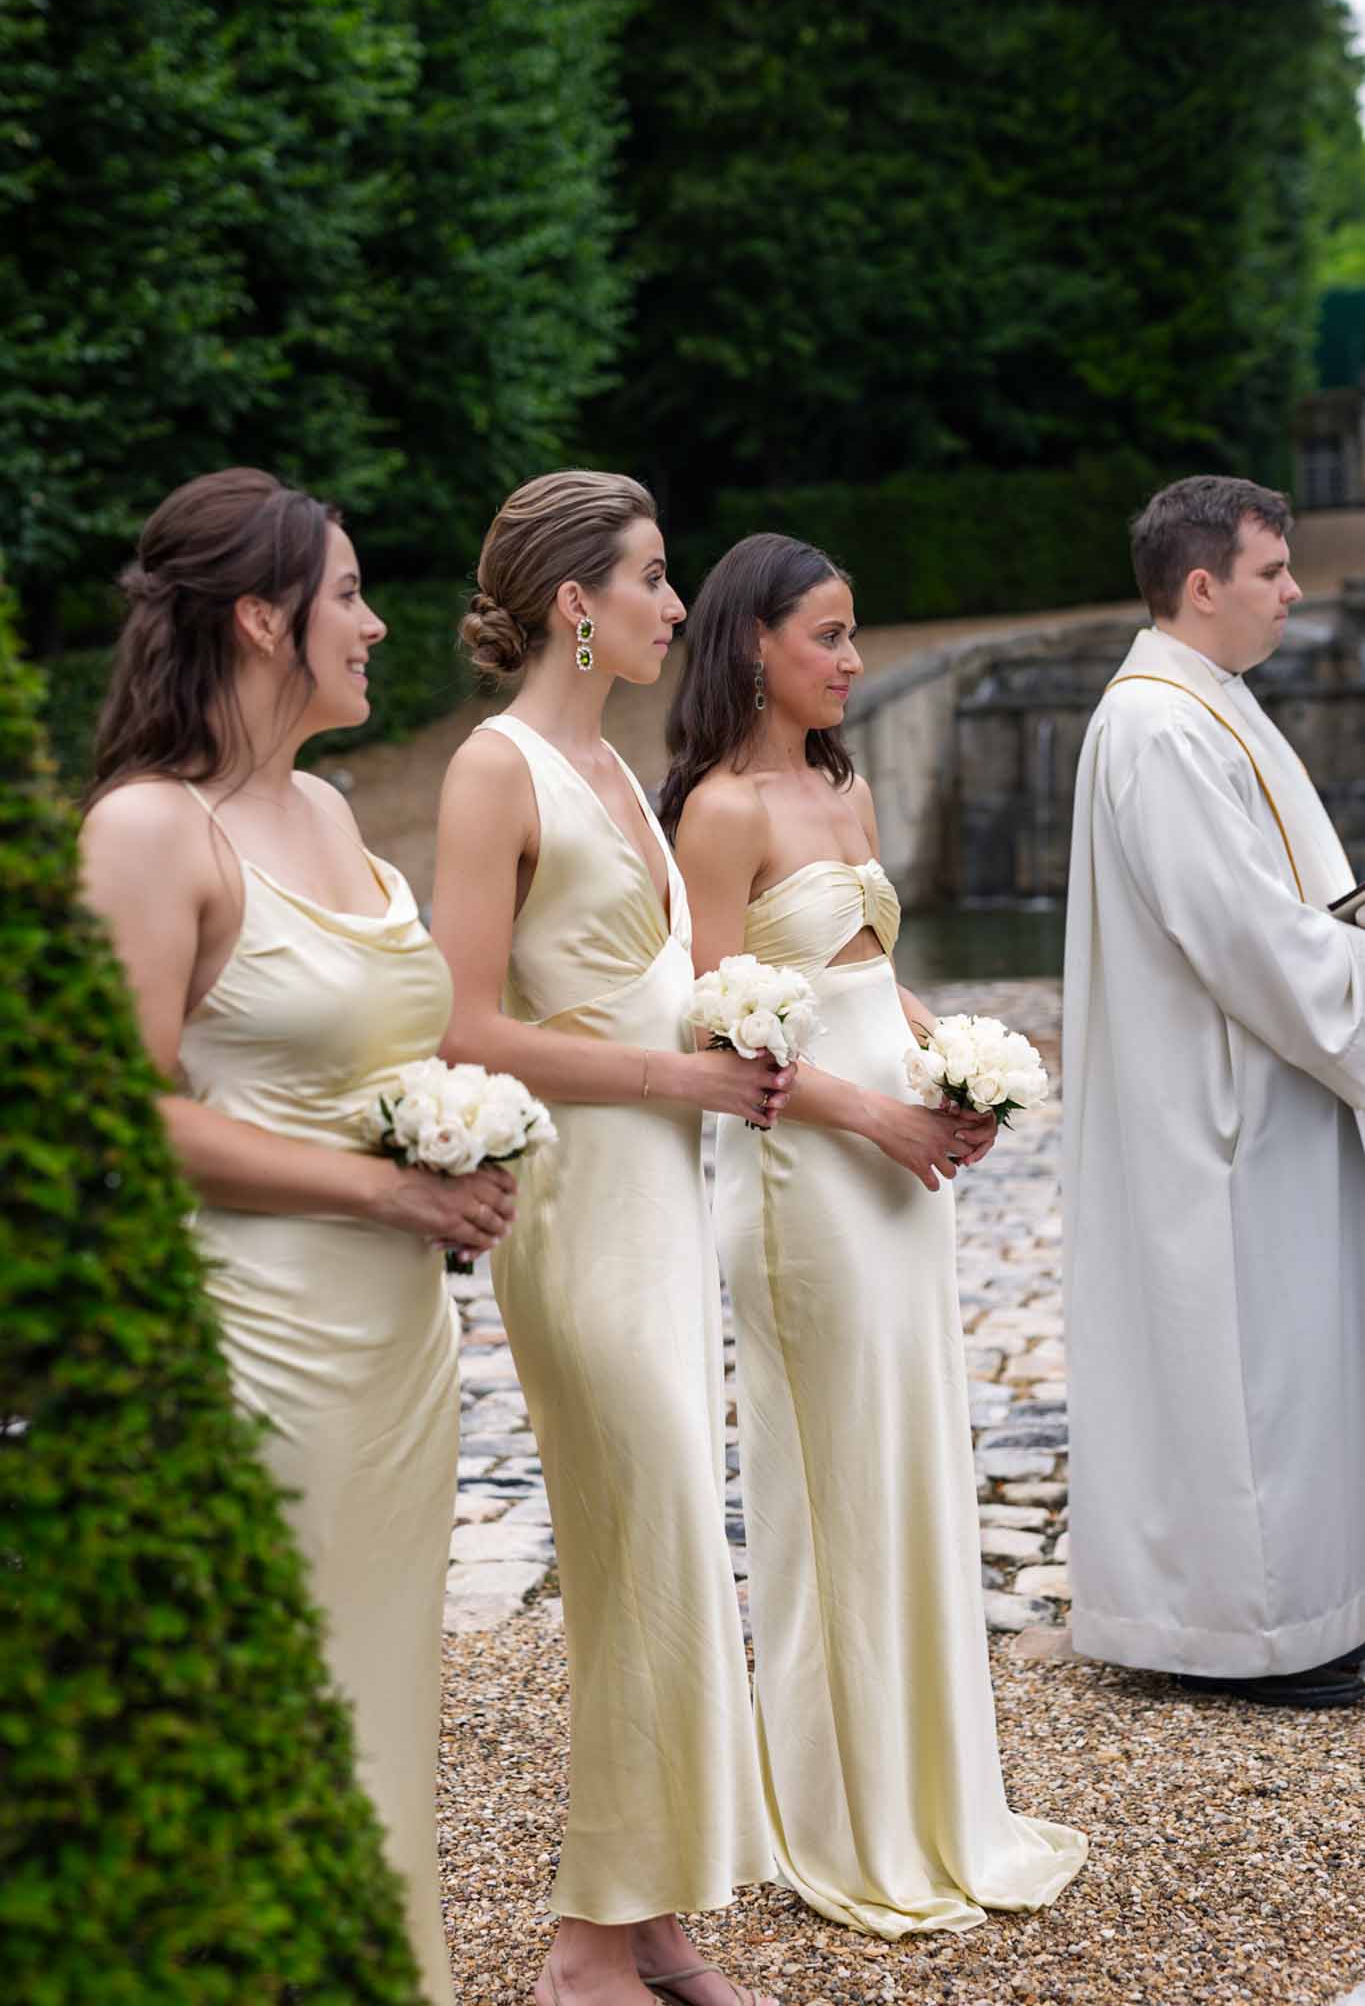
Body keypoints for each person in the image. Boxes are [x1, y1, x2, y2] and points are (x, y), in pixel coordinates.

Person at [79, 467, 517, 2004]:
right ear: (263, 619)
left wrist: (446, 1142)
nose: (378, 622)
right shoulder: (149, 832)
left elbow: (370, 1051)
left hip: (397, 1346)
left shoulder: (328, 805)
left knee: (378, 1693)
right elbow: (122, 1117)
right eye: (347, 595)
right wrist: (386, 1189)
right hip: (256, 1346)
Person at [661, 531, 1088, 1939]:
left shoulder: (837, 785)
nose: (853, 660)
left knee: (913, 1462)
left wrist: (956, 1070)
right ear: (751, 647)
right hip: (801, 1188)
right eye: (828, 636)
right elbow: (722, 1033)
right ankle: (840, 1816)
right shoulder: (719, 814)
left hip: (898, 1175)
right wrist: (886, 1121)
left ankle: (939, 1796)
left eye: (853, 635)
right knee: (831, 1483)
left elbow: (870, 977)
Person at [431, 473, 794, 2006]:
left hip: (661, 1205)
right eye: (651, 579)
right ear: (577, 602)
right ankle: (586, 1944)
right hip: (576, 1215)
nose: (672, 606)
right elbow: (463, 1026)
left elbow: (639, 982)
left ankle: (652, 1916)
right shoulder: (492, 771)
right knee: (636, 1539)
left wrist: (742, 1033)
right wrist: (679, 1071)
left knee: (660, 1556)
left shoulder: (623, 773)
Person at [1064, 473, 1365, 1708]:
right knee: (1250, 1370)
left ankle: (1304, 1606)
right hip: (1219, 1107)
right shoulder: (1160, 725)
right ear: (1203, 585)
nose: (1296, 591)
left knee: (1290, 1362)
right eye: (1273, 571)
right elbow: (1247, 935)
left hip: (1254, 1085)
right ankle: (1250, 1630)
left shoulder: (1203, 701)